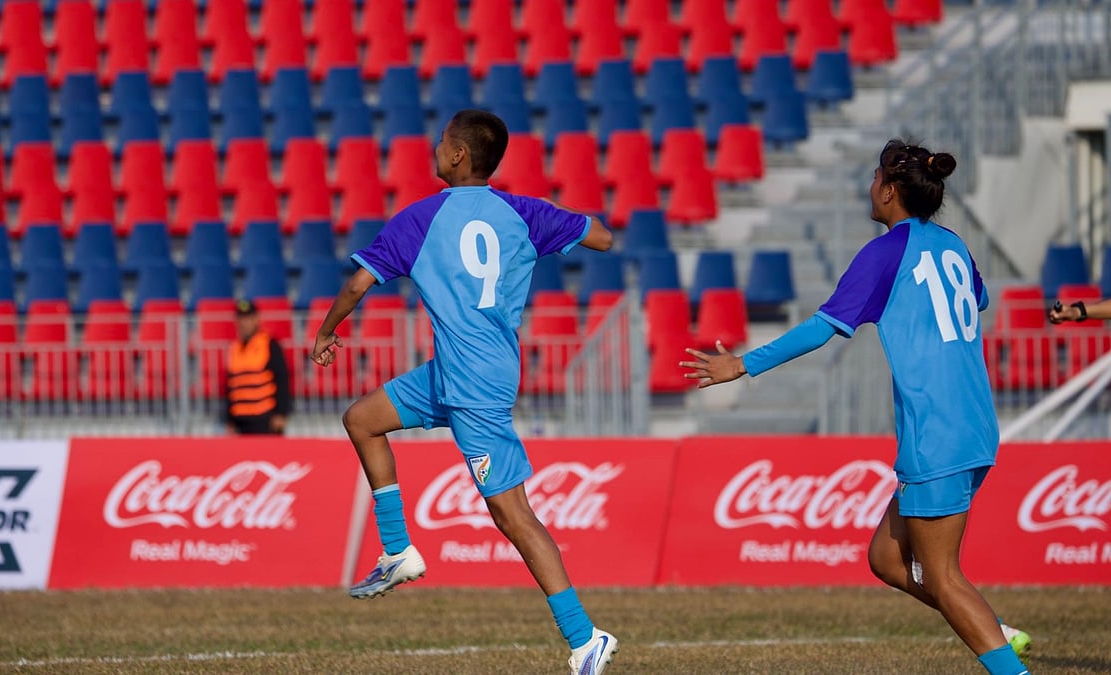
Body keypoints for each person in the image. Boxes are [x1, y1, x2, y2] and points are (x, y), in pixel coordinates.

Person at [680, 140, 1032, 675]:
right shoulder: (952, 243)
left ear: (890, 191)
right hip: (976, 423)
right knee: (887, 559)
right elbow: (978, 299)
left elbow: (823, 327)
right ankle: (990, 628)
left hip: (935, 428)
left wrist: (743, 365)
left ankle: (1001, 655)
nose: (869, 187)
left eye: (874, 178)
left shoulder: (886, 250)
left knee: (941, 576)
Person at [310, 109, 618, 675]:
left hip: (473, 386)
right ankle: (399, 551)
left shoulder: (419, 219)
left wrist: (327, 331)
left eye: (442, 141)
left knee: (512, 515)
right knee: (363, 418)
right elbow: (600, 235)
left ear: (457, 156)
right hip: (458, 372)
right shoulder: (523, 213)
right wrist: (564, 227)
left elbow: (358, 283)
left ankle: (584, 639)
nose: (435, 146)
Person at [224, 299, 291, 435]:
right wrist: (229, 420)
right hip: (240, 421)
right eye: (241, 318)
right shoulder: (234, 347)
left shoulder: (269, 344)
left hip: (265, 419)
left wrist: (281, 413)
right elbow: (231, 385)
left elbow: (282, 379)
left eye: (248, 318)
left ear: (256, 319)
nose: (244, 323)